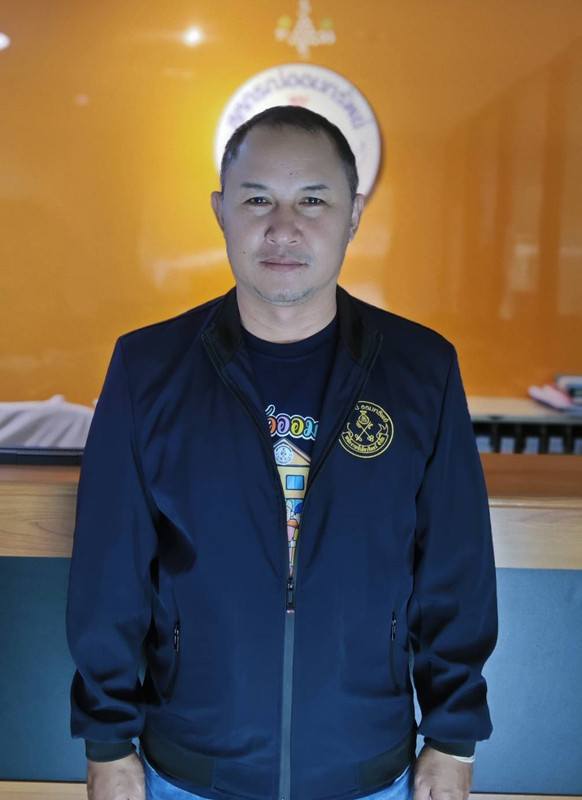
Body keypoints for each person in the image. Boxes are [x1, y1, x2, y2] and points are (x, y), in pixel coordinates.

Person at [66, 106, 497, 800]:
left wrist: (453, 736)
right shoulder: (148, 368)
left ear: (354, 214)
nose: (284, 228)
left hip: (368, 769)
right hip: (189, 770)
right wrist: (107, 742)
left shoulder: (421, 369)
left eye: (313, 201)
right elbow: (108, 570)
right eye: (258, 199)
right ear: (221, 212)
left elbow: (455, 566)